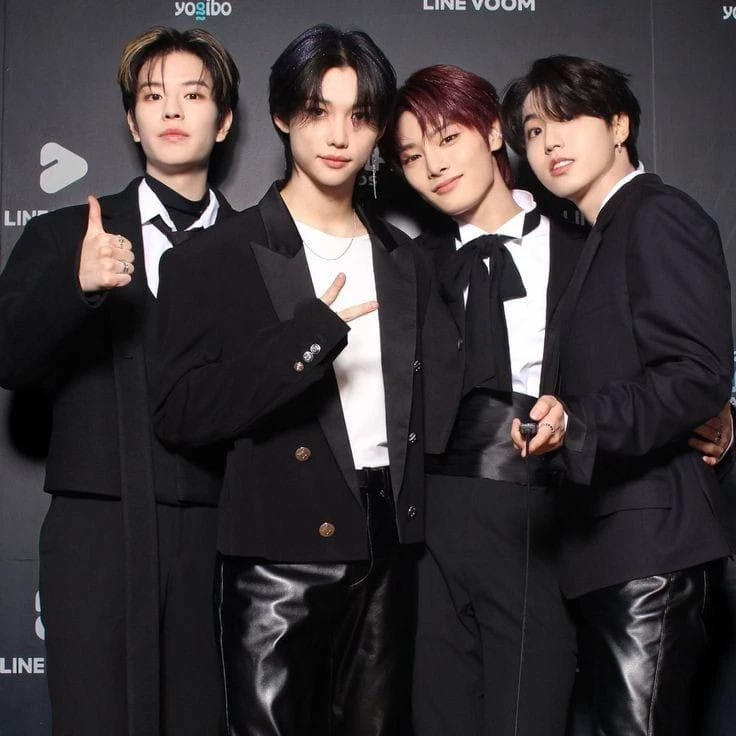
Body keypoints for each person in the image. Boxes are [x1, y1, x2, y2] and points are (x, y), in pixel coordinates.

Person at [152, 24, 456, 736]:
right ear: (283, 115)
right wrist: (309, 337)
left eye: (360, 115)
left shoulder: (407, 259)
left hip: (390, 542)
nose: (339, 136)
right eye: (318, 111)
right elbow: (179, 412)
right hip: (278, 551)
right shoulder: (214, 255)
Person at [0, 26, 239, 736]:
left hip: (216, 534)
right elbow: (8, 358)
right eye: (153, 96)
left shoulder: (261, 246)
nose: (173, 109)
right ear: (133, 121)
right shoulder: (65, 233)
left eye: (193, 94)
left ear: (224, 121)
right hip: (95, 530)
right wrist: (77, 287)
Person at [502, 55, 734, 735]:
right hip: (605, 553)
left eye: (567, 118)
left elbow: (694, 372)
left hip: (652, 552)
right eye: (534, 131)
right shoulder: (600, 236)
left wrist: (579, 421)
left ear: (619, 125)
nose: (550, 142)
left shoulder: (657, 215)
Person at [380, 63, 581, 736]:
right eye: (412, 156)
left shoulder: (583, 245)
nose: (433, 166)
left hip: (544, 517)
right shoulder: (408, 267)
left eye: (447, 138)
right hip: (435, 524)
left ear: (494, 130)